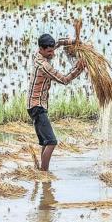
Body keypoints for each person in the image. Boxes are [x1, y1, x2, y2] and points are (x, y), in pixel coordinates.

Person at [27, 33, 86, 171]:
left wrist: (73, 41)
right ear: (41, 49)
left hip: (35, 105)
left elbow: (58, 42)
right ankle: (44, 175)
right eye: (49, 51)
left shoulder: (39, 53)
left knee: (45, 142)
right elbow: (64, 80)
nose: (53, 53)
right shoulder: (43, 66)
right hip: (37, 106)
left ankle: (41, 170)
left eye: (53, 50)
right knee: (52, 142)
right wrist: (79, 69)